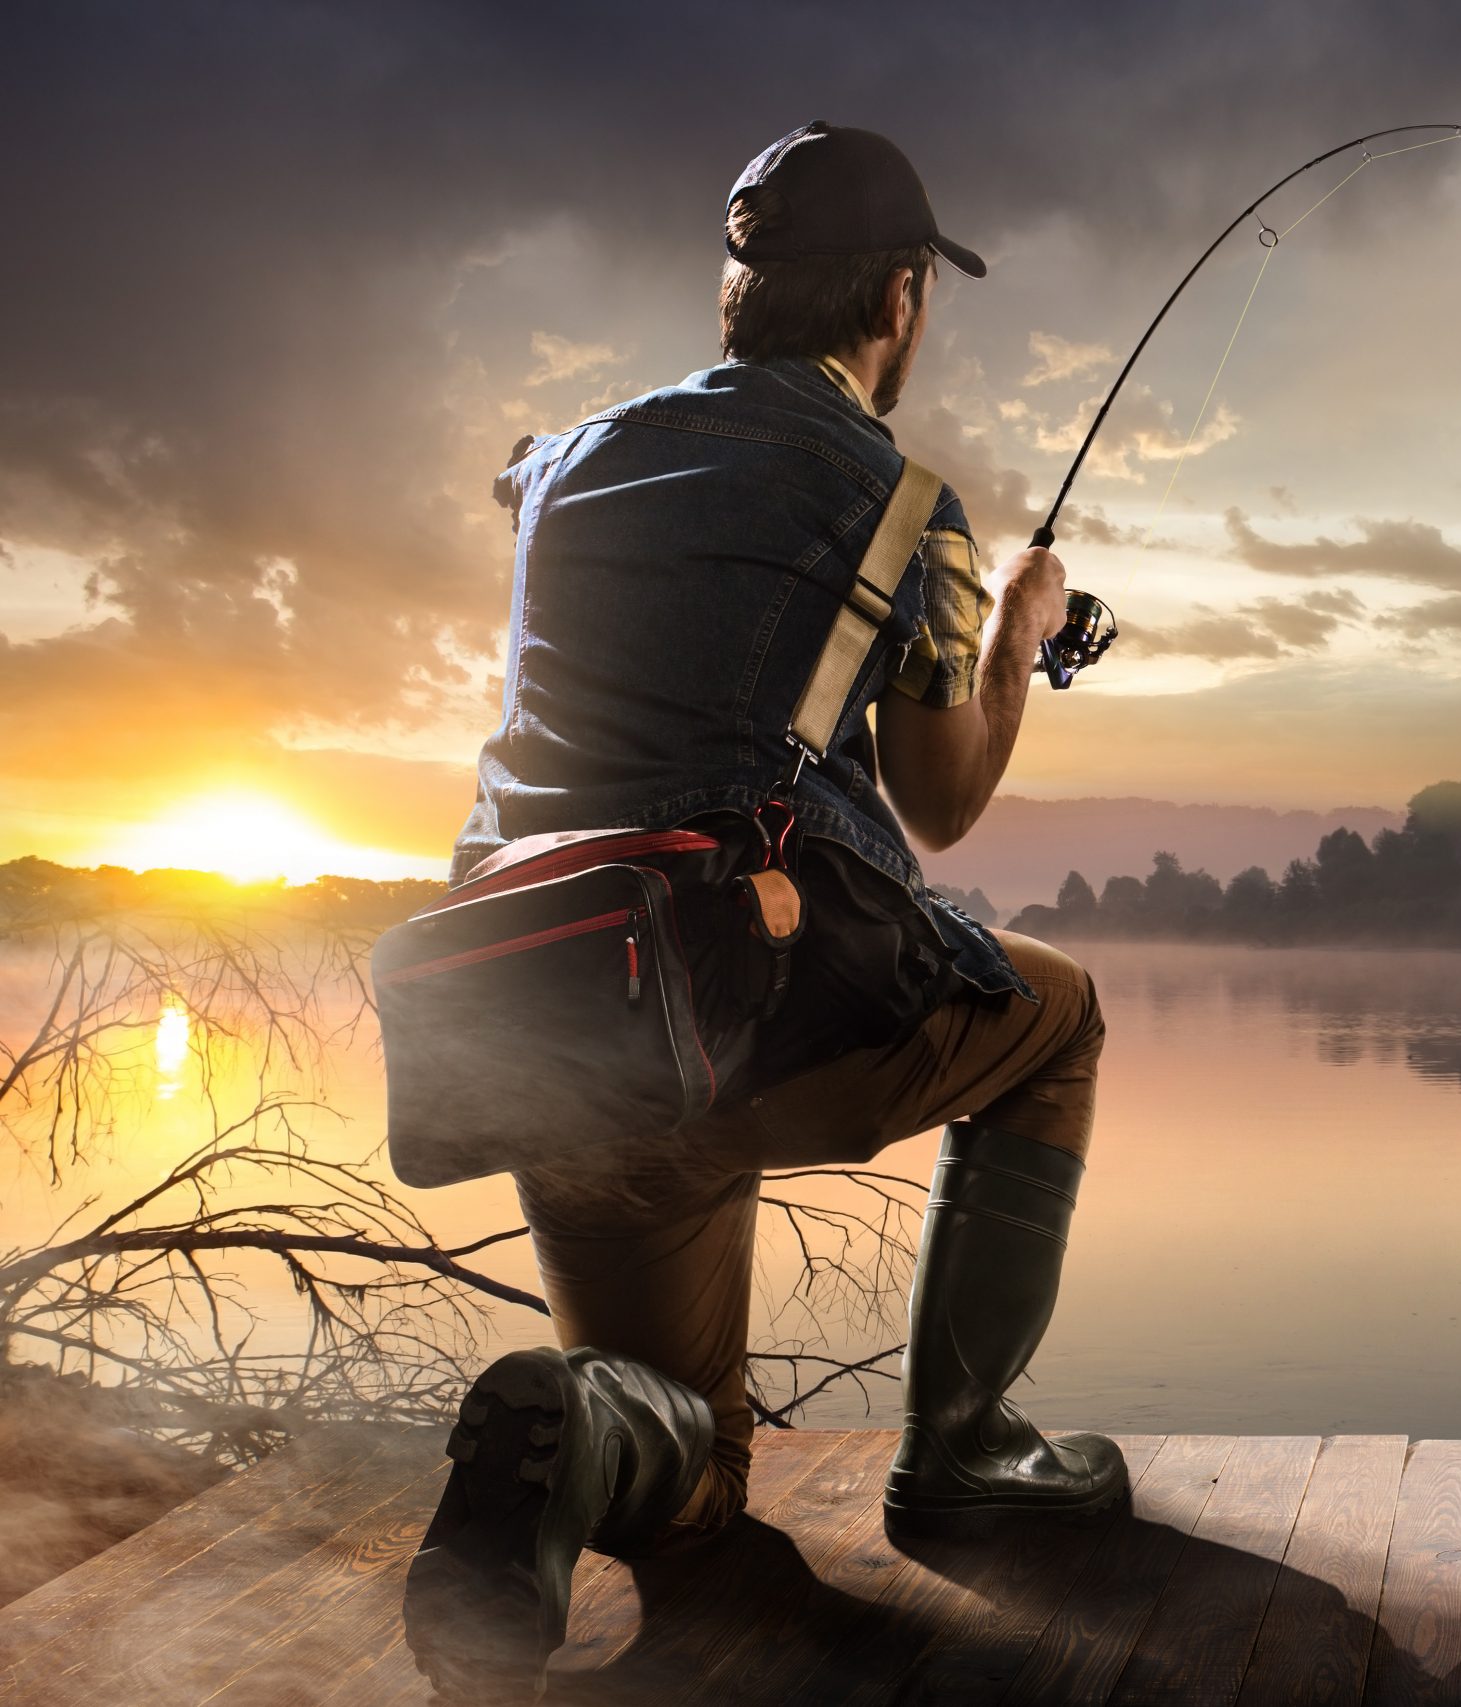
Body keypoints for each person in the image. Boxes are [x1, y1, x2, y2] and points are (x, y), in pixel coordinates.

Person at [401, 122, 1127, 1702]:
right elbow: (940, 801)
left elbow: (542, 526)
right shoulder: (904, 506)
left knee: (695, 1477)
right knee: (1057, 1015)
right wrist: (1017, 632)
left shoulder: (563, 466)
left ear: (737, 292)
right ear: (900, 298)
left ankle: (582, 1420)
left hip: (543, 1022)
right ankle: (964, 1452)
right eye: (921, 294)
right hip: (751, 1008)